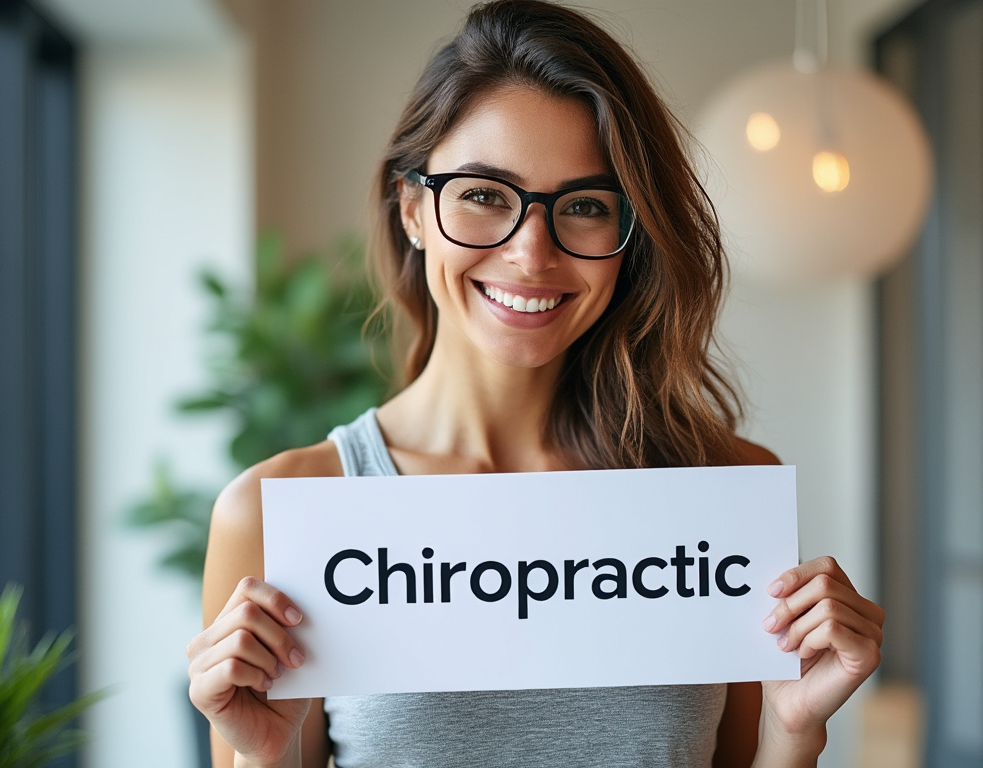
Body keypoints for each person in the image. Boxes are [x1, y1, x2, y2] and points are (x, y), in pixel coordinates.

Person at [186, 1, 885, 766]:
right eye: (485, 195)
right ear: (413, 208)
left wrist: (794, 732)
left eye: (583, 206)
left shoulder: (720, 495)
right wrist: (264, 757)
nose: (531, 253)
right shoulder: (281, 514)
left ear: (630, 237)